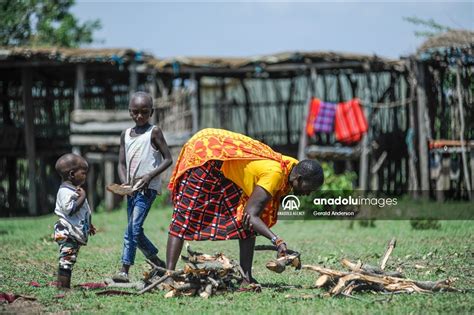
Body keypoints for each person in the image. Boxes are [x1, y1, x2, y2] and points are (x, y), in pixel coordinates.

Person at [166, 128, 324, 284]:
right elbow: (252, 214)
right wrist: (277, 241)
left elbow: (251, 217)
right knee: (184, 219)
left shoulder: (293, 166)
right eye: (308, 188)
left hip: (223, 159)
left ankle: (246, 279)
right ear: (299, 178)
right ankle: (169, 276)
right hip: (206, 153)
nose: (308, 193)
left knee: (246, 224)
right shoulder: (275, 174)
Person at [112, 91, 173, 283]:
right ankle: (156, 261)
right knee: (135, 229)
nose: (140, 116)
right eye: (135, 112)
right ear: (130, 111)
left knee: (132, 229)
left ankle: (124, 269)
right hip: (131, 190)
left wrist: (149, 176)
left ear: (151, 112)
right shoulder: (126, 135)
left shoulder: (153, 132)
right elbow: (121, 163)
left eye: (144, 112)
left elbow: (168, 159)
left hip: (147, 189)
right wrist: (124, 183)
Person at [53, 153, 96, 289]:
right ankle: (63, 288)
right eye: (83, 173)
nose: (85, 176)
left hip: (72, 231)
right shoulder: (65, 192)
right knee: (66, 261)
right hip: (67, 233)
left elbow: (80, 214)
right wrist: (83, 196)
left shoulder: (72, 189)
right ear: (72, 174)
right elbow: (70, 210)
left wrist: (88, 225)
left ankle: (63, 285)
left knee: (69, 260)